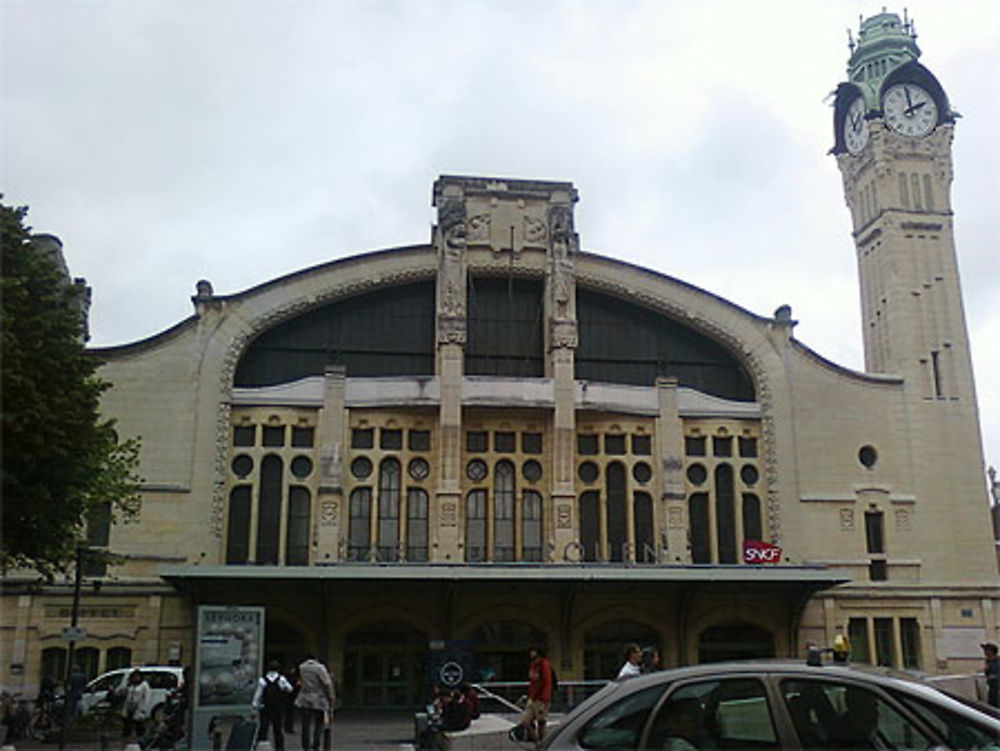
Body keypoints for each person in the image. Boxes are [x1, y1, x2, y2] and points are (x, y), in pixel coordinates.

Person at [510, 645, 552, 743]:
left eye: (533, 652)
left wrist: (544, 700)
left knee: (541, 722)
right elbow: (532, 683)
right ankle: (536, 740)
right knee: (525, 722)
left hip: (541, 699)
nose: (531, 654)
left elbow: (547, 682)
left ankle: (542, 743)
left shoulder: (544, 665)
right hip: (532, 698)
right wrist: (527, 696)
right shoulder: (533, 665)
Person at [294, 655, 334, 751]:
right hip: (318, 698)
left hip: (304, 697)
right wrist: (331, 696)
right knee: (319, 722)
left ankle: (305, 745)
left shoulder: (301, 667)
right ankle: (316, 744)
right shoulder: (320, 668)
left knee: (305, 724)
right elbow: (327, 683)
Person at [253, 659, 294, 751]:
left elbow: (258, 694)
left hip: (266, 707)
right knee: (278, 728)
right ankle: (280, 747)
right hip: (277, 707)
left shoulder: (262, 680)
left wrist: (255, 705)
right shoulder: (281, 679)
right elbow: (290, 689)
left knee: (263, 727)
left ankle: (260, 745)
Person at [121, 670, 151, 739]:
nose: (136, 678)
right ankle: (127, 736)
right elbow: (124, 693)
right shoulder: (130, 685)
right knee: (127, 723)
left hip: (139, 705)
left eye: (137, 677)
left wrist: (143, 708)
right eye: (134, 677)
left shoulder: (144, 685)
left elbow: (147, 697)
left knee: (139, 723)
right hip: (129, 705)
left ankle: (140, 737)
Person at [982, 642, 999, 707]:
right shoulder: (989, 661)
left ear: (991, 652)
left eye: (986, 650)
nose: (985, 652)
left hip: (997, 691)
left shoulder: (997, 662)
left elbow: (994, 676)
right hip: (992, 690)